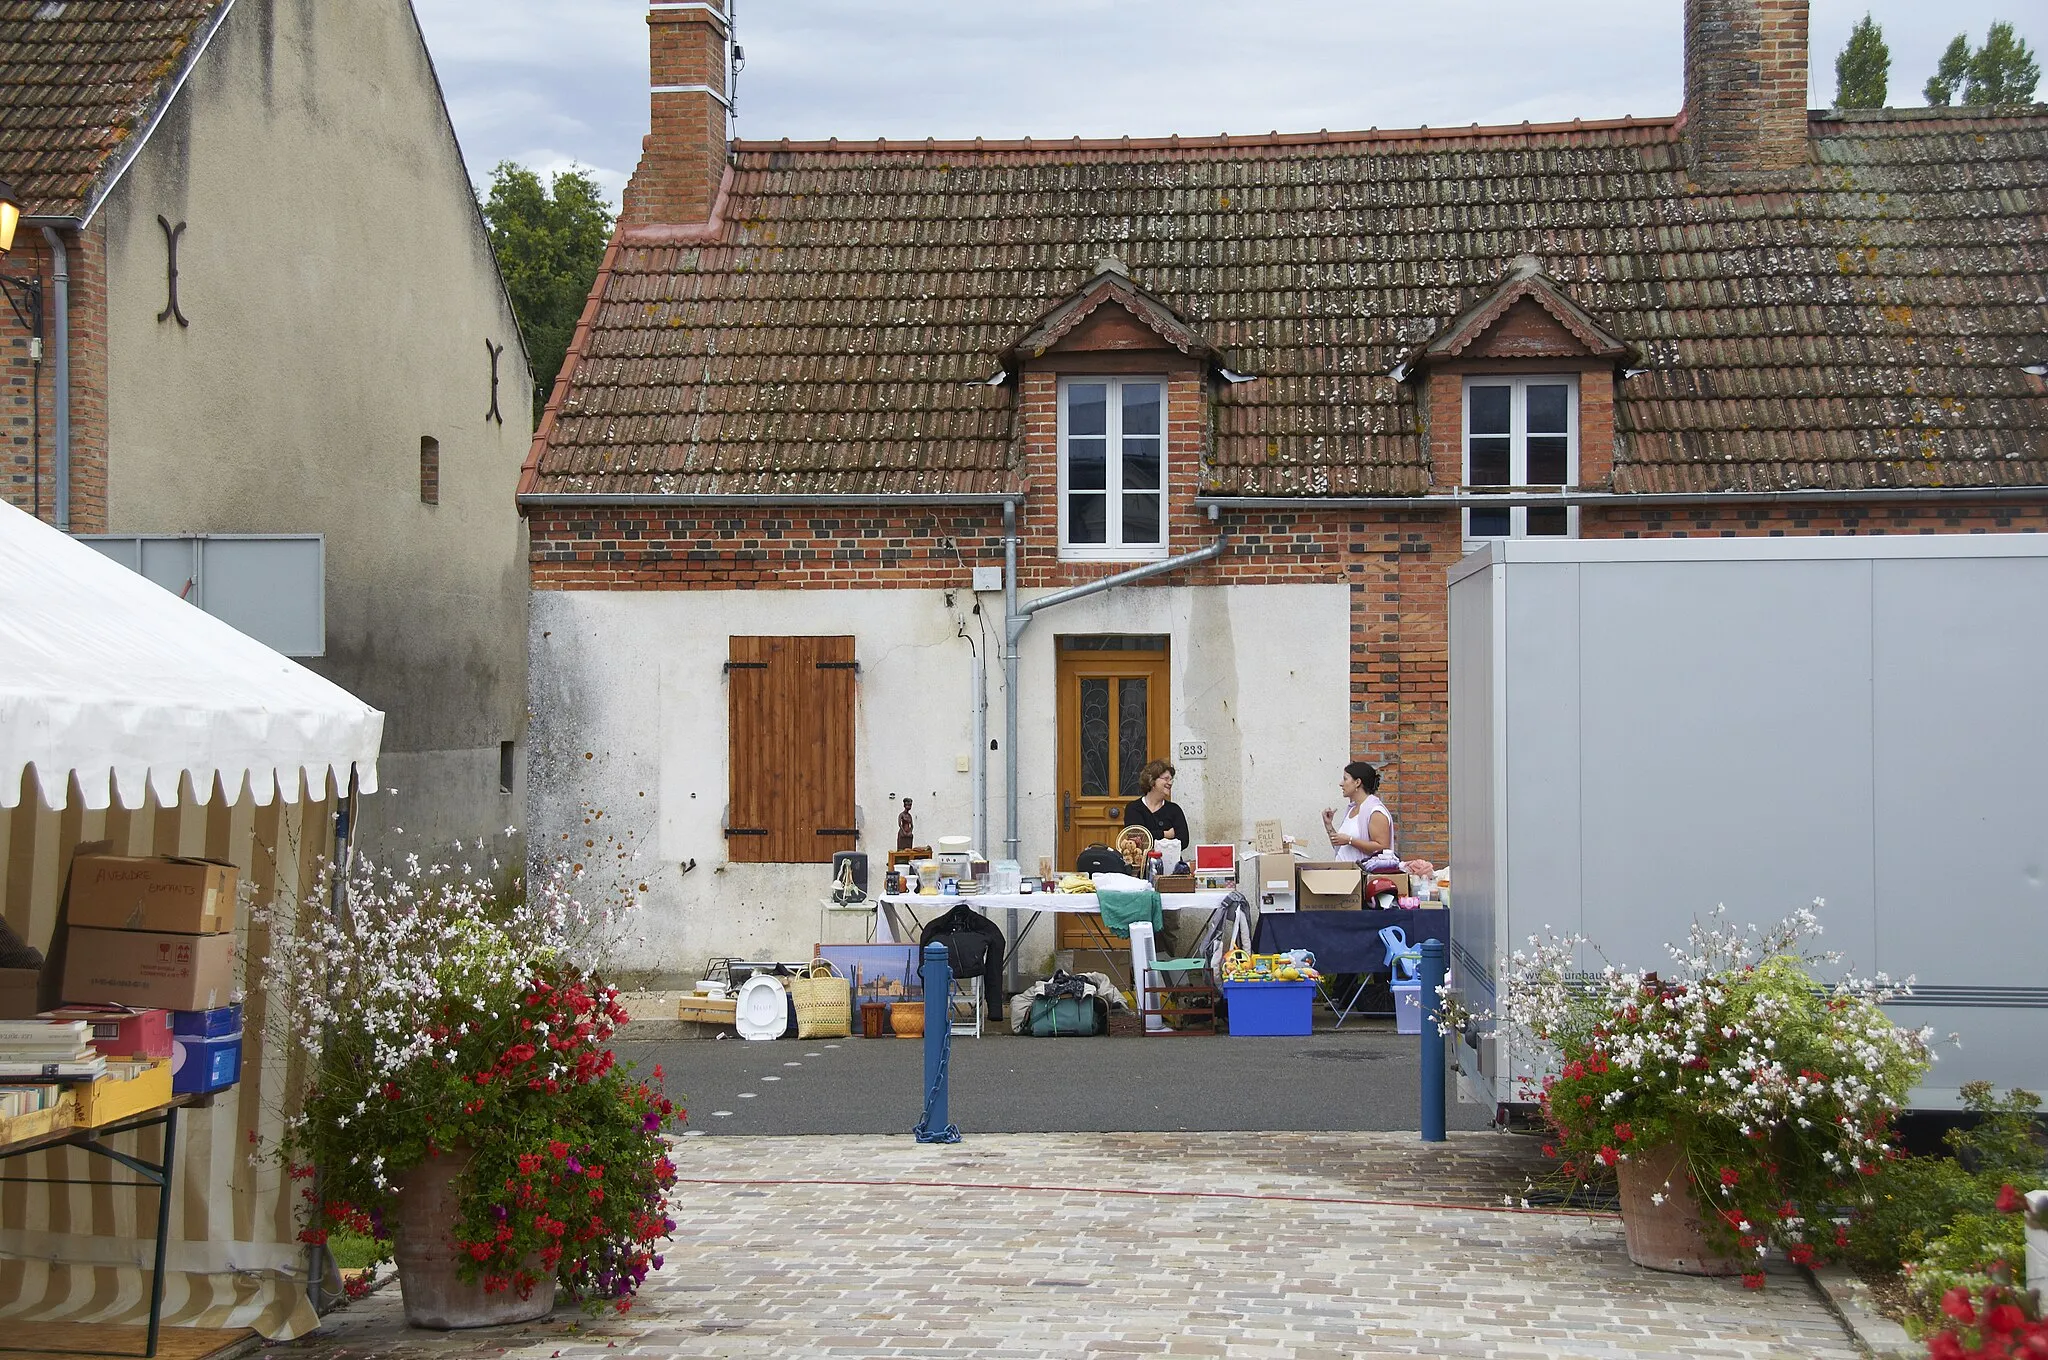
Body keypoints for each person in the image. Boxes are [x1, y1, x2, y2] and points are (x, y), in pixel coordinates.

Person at [1323, 761, 1395, 865]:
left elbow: (1382, 848)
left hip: (1360, 877)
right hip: (1343, 874)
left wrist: (1350, 840)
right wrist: (1328, 825)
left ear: (1357, 782)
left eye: (1345, 779)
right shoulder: (1351, 809)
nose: (1341, 784)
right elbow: (1340, 846)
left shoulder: (1375, 812)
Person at [1122, 759, 1190, 846]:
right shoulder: (1133, 808)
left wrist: (1151, 836)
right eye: (1166, 779)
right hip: (1142, 859)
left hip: (1170, 859)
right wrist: (1165, 834)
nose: (1170, 783)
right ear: (1152, 781)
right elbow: (1136, 838)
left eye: (1171, 779)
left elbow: (1183, 840)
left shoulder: (1174, 809)